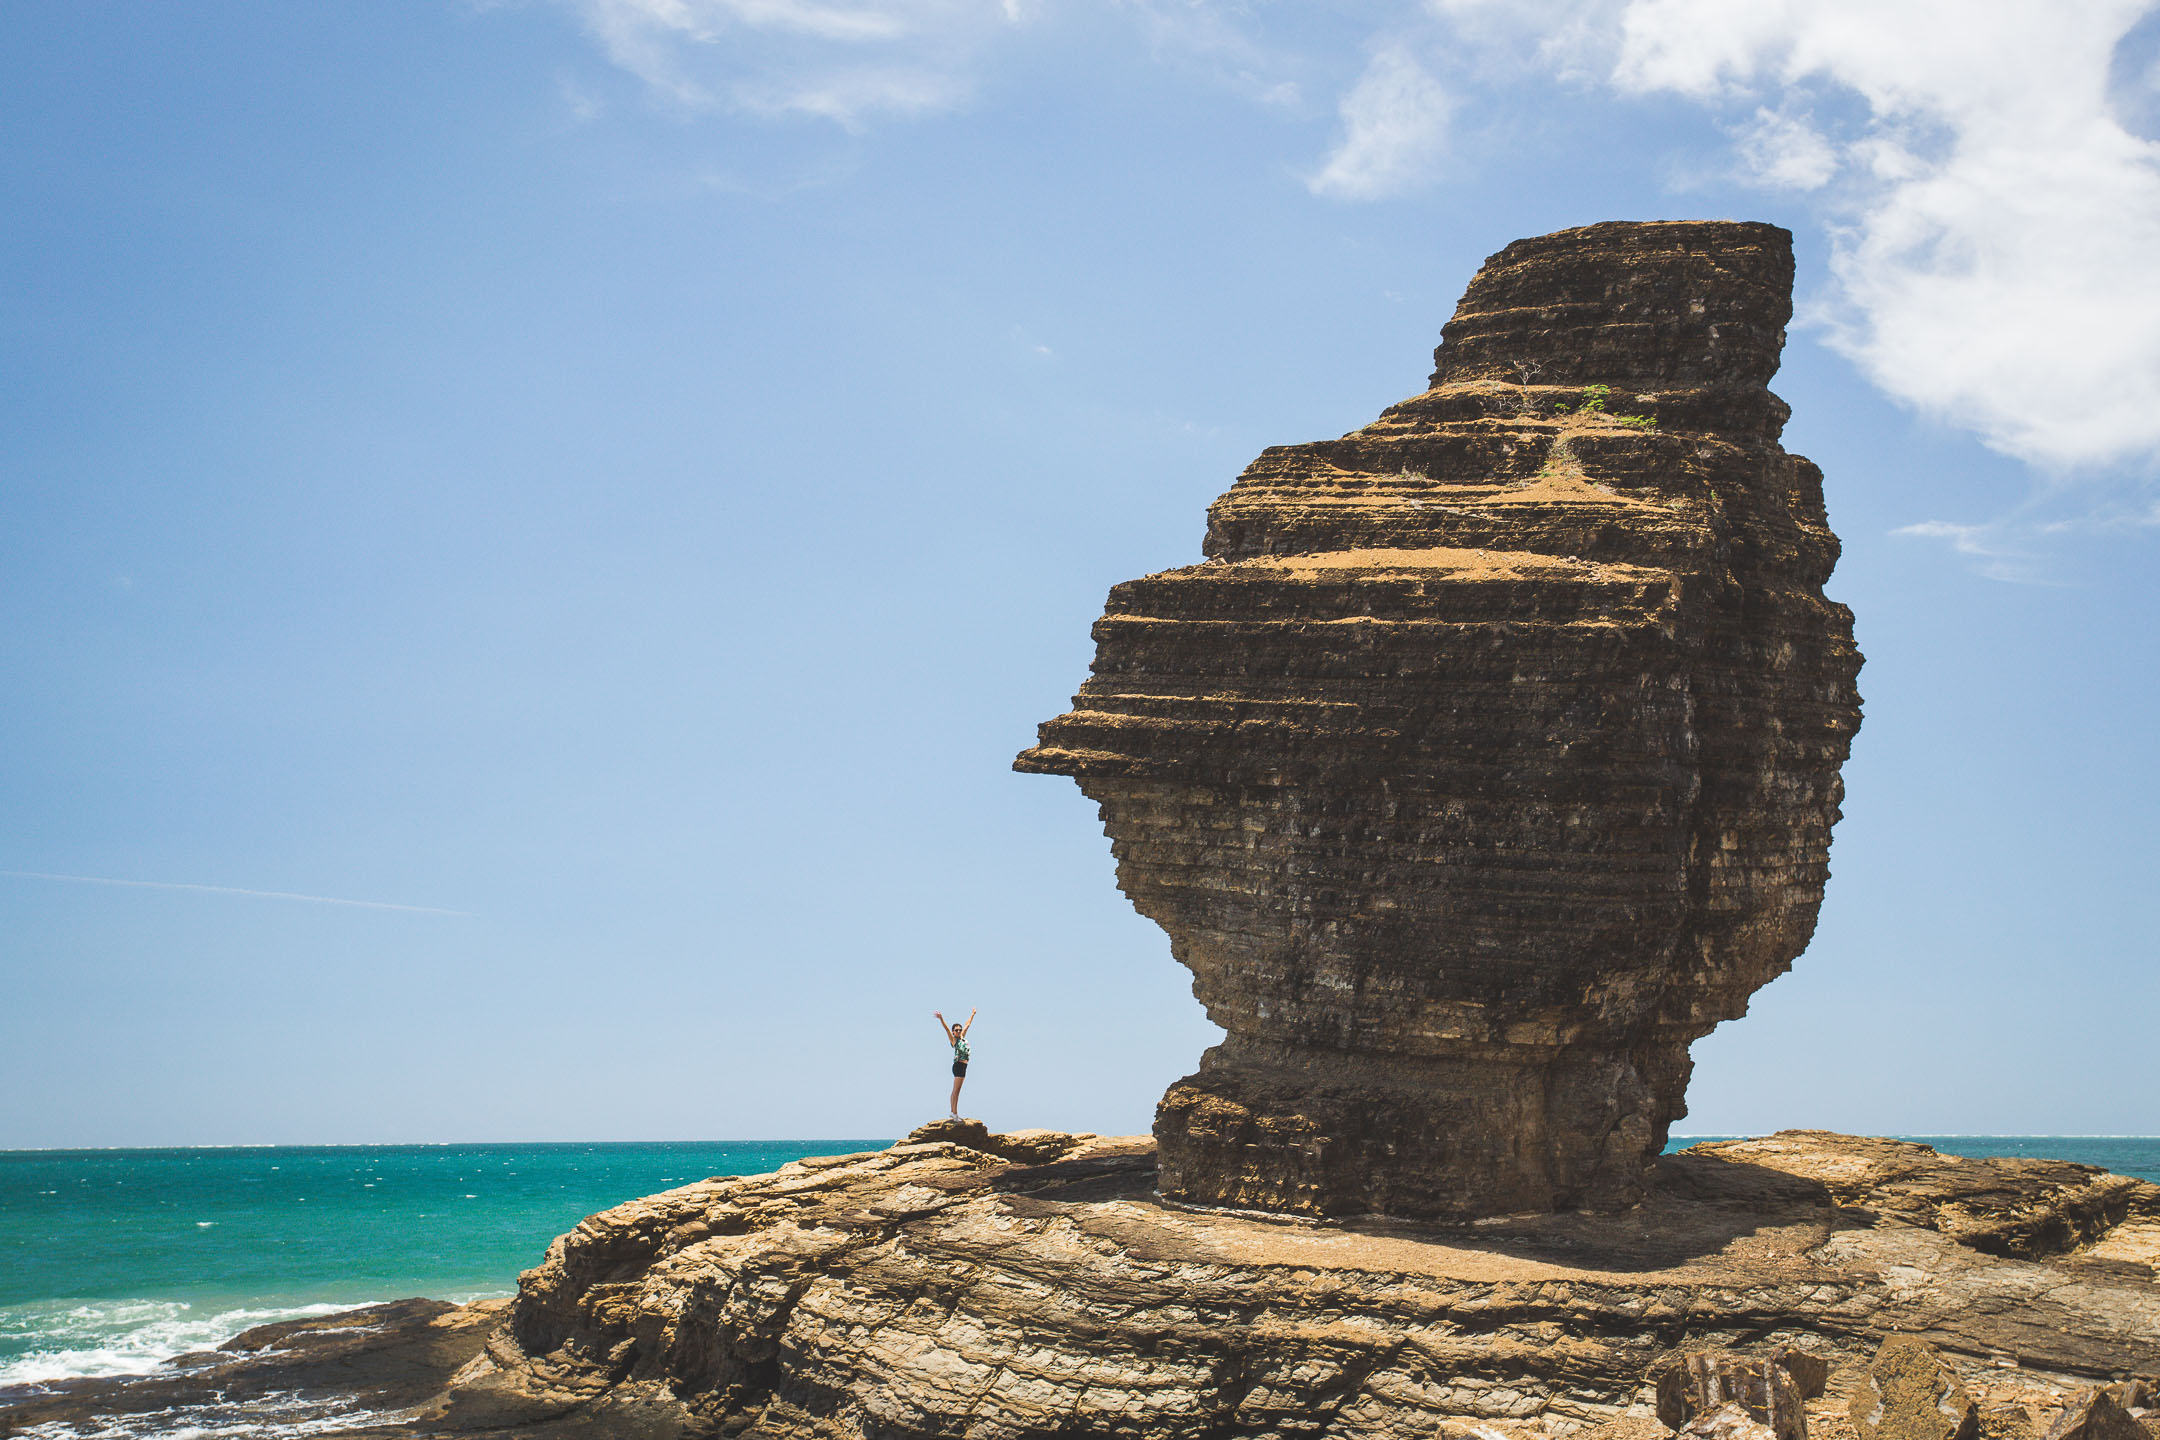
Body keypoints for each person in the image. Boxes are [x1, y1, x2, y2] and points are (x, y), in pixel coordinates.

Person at [934, 1008, 976, 1119]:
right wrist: (941, 1019)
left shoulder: (962, 1038)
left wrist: (972, 1014)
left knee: (958, 1090)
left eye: (959, 1029)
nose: (958, 1031)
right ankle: (954, 1113)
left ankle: (954, 1112)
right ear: (953, 1032)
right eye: (956, 1030)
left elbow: (967, 1025)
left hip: (964, 1066)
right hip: (958, 1065)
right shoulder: (954, 1040)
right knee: (955, 1091)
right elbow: (947, 1029)